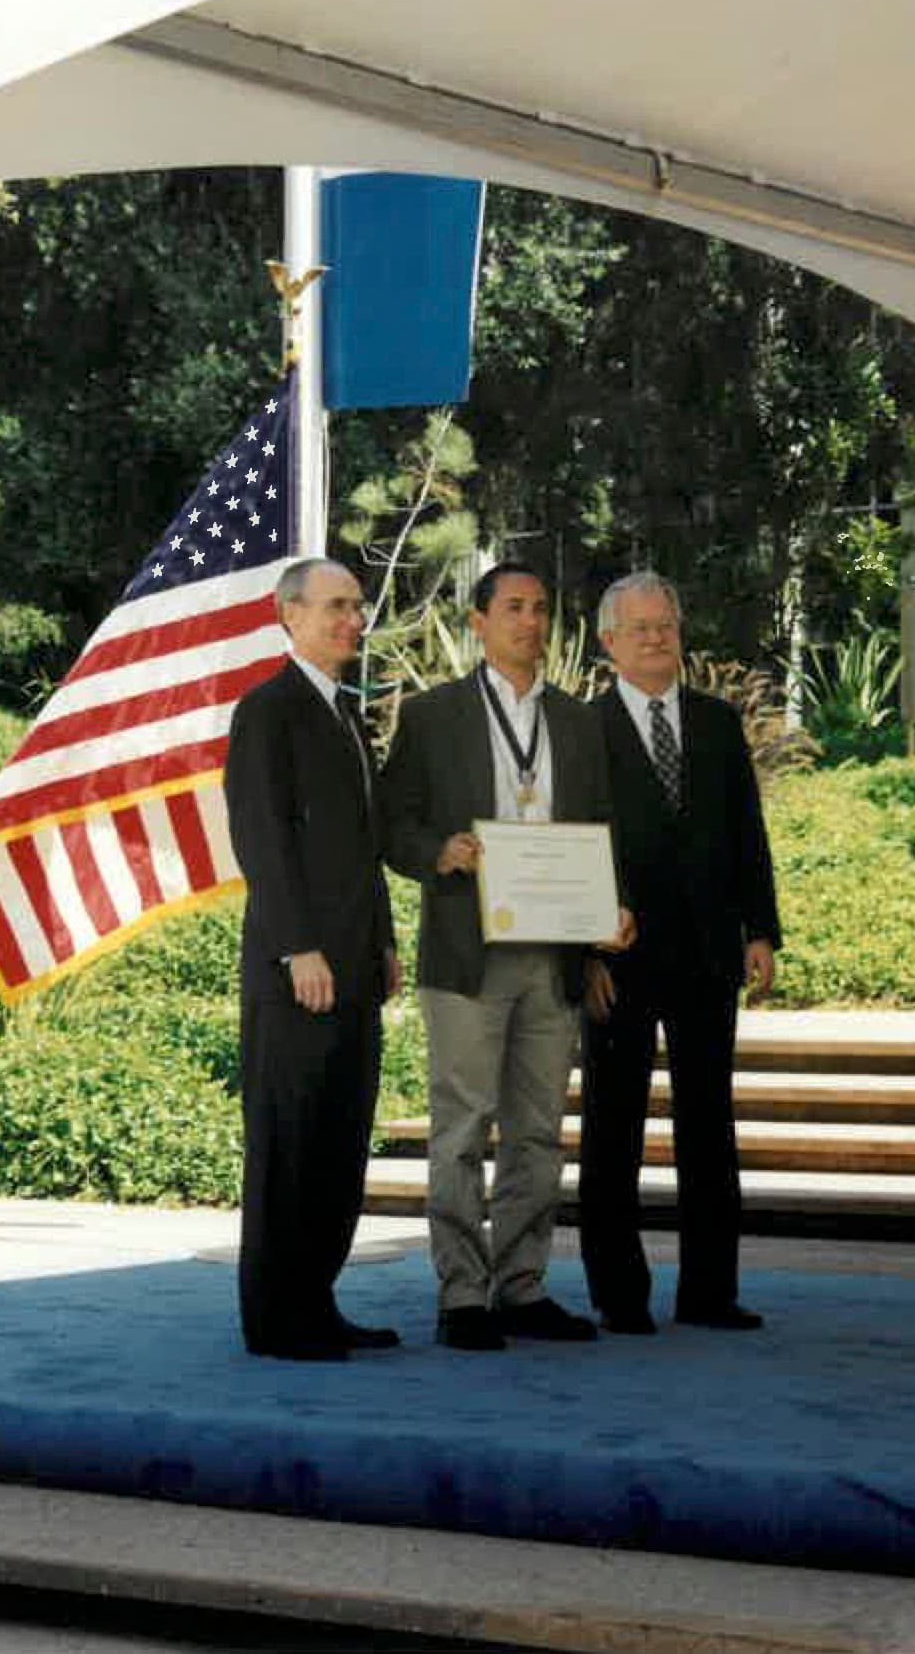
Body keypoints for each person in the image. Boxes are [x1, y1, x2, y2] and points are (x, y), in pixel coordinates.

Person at [382, 562, 632, 1351]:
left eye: (541, 609)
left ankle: (521, 1288)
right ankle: (461, 1294)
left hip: (554, 957)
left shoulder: (578, 721)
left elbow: (600, 829)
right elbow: (390, 825)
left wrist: (604, 925)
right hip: (465, 951)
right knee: (461, 1128)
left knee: (536, 1132)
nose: (530, 622)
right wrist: (439, 852)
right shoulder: (432, 716)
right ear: (477, 624)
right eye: (514, 608)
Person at [579, 571, 780, 1335]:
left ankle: (709, 1292)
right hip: (615, 958)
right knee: (612, 1126)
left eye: (665, 624)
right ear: (607, 643)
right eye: (639, 628)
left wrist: (758, 930)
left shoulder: (718, 724)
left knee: (707, 1126)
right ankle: (618, 1294)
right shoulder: (580, 729)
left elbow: (745, 836)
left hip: (707, 954)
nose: (656, 637)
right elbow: (569, 844)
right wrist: (582, 952)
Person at [224, 556, 401, 1362]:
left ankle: (316, 1302)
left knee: (337, 1146)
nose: (348, 621)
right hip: (295, 972)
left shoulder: (344, 713)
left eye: (355, 607)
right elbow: (262, 839)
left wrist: (385, 942)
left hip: (355, 969)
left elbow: (361, 850)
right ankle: (274, 1319)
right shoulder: (268, 711)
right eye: (332, 607)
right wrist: (300, 946)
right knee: (289, 1148)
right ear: (287, 616)